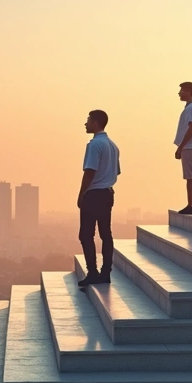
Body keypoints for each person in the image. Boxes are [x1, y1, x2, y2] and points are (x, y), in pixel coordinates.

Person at [77, 109, 120, 288]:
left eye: (88, 120)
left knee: (86, 234)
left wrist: (81, 193)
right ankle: (106, 272)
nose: (85, 123)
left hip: (94, 194)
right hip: (107, 193)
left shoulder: (95, 145)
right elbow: (116, 171)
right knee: (105, 234)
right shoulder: (112, 145)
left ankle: (93, 272)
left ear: (95, 123)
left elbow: (90, 171)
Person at [174, 82, 192, 215]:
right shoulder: (191, 108)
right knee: (191, 176)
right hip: (189, 147)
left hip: (190, 147)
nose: (179, 93)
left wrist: (181, 146)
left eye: (182, 91)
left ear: (188, 92)